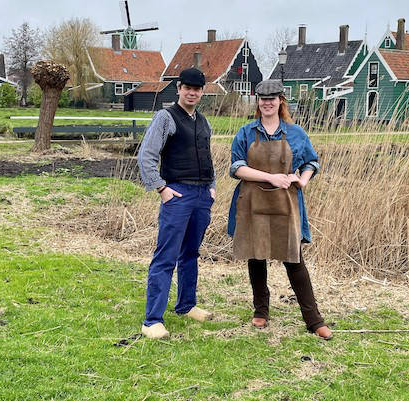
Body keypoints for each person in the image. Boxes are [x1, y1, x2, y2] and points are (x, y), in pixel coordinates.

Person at [227, 79, 332, 340]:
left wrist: (302, 180)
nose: (268, 102)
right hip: (253, 203)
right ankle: (261, 310)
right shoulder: (246, 133)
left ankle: (313, 319)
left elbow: (311, 162)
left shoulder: (296, 133)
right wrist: (271, 177)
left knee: (294, 260)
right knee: (256, 256)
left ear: (280, 101)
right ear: (258, 102)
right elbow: (236, 167)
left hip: (286, 204)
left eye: (273, 98)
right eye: (263, 98)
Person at [137, 68, 215, 339]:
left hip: (202, 196)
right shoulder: (165, 117)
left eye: (197, 89)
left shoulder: (203, 122)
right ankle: (152, 321)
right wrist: (161, 188)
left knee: (191, 254)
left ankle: (186, 305)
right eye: (187, 88)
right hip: (177, 194)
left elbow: (208, 157)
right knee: (166, 256)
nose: (192, 93)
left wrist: (212, 188)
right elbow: (146, 155)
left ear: (202, 92)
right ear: (179, 88)